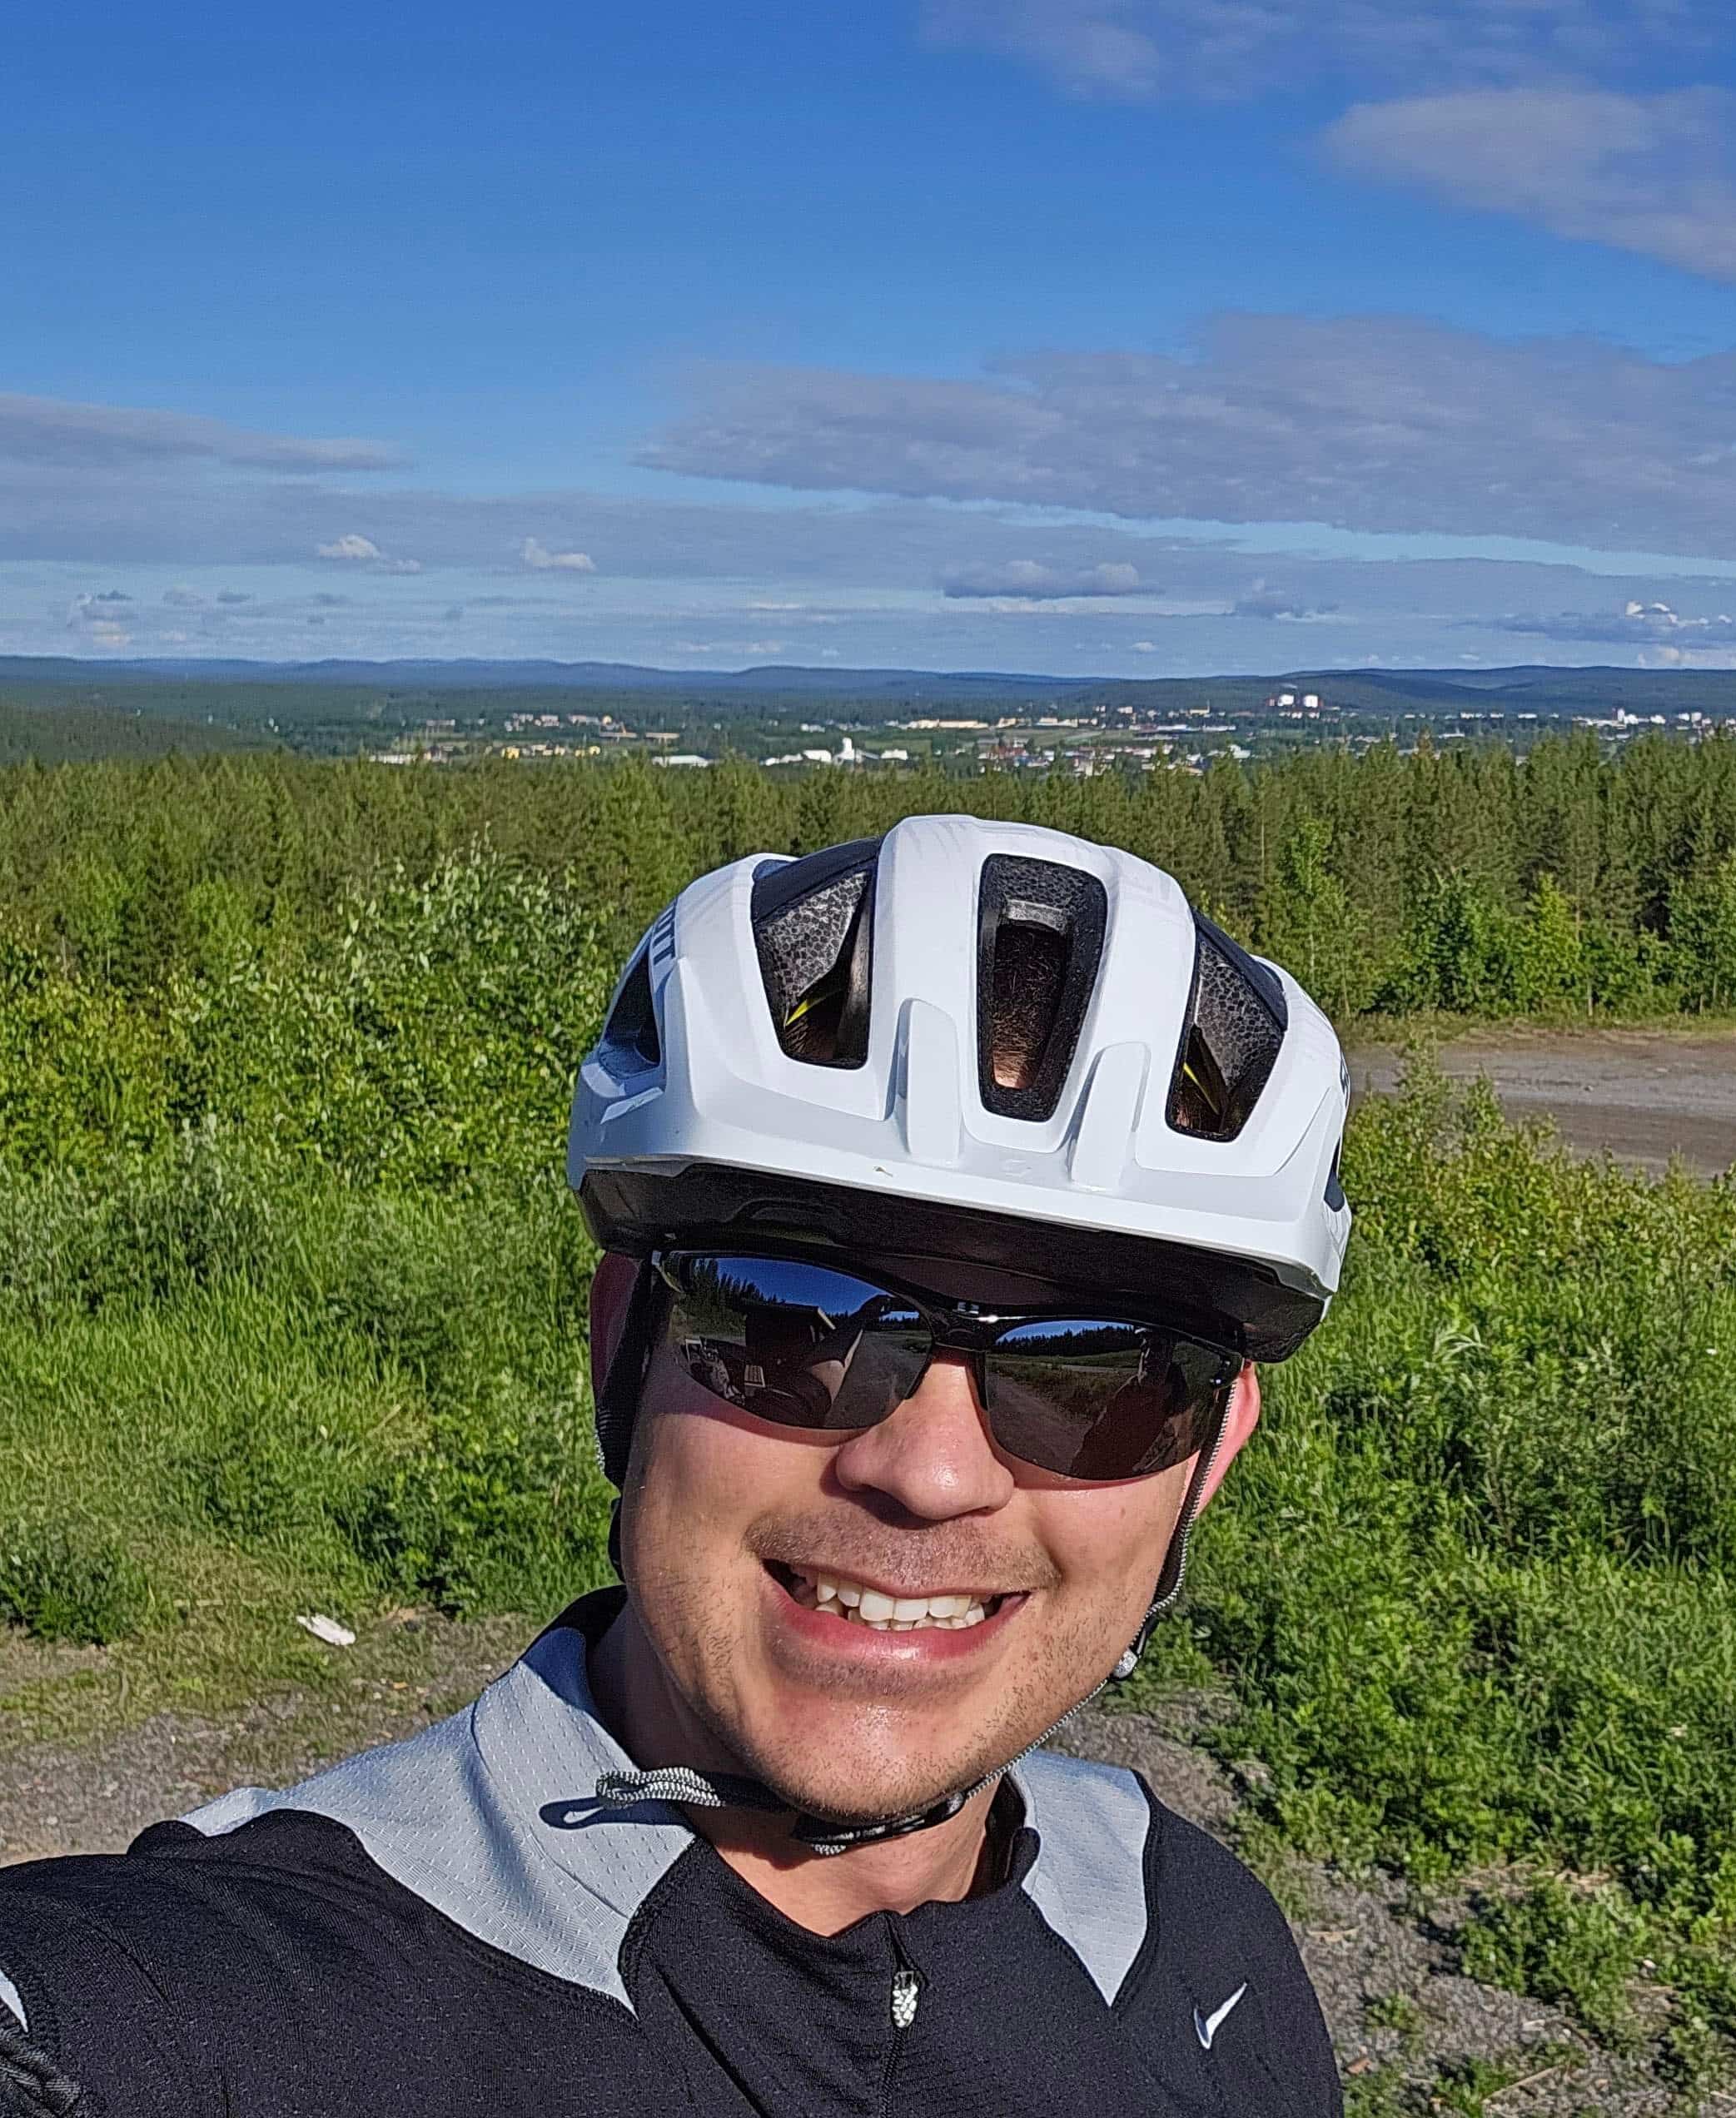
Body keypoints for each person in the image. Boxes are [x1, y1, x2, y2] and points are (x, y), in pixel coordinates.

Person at [0, 815, 1353, 2117]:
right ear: (622, 1352)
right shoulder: (240, 2001)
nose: (931, 1474)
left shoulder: (1198, 1943)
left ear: (1207, 1461)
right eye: (790, 1323)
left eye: (1097, 1380)